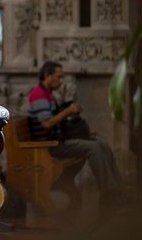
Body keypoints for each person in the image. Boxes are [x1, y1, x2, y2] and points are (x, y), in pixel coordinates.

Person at [28, 61, 127, 207]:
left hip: (58, 140)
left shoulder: (47, 94)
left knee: (101, 142)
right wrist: (68, 111)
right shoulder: (38, 95)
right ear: (47, 76)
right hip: (51, 147)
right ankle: (109, 194)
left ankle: (118, 192)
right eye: (59, 77)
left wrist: (67, 108)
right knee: (94, 148)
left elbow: (53, 117)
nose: (61, 81)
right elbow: (47, 123)